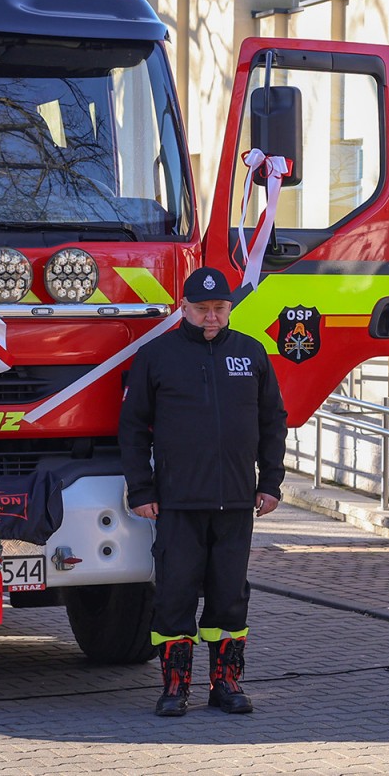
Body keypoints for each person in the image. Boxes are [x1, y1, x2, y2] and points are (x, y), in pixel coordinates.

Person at [119, 266, 288, 717]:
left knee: (229, 596)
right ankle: (175, 687)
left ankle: (226, 684)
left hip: (237, 502)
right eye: (201, 309)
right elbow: (132, 427)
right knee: (174, 596)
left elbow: (273, 421)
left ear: (230, 308)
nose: (211, 317)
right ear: (184, 308)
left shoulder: (251, 353)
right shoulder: (157, 356)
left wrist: (271, 481)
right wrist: (141, 489)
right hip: (177, 503)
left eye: (219, 308)